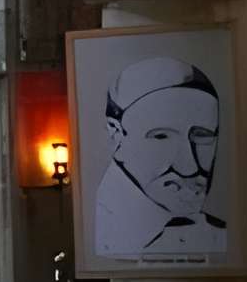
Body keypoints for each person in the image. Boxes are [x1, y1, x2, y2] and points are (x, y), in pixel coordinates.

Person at [93, 55, 227, 259]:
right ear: (116, 136)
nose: (189, 167)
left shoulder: (218, 234)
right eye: (161, 136)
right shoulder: (99, 232)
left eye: (202, 136)